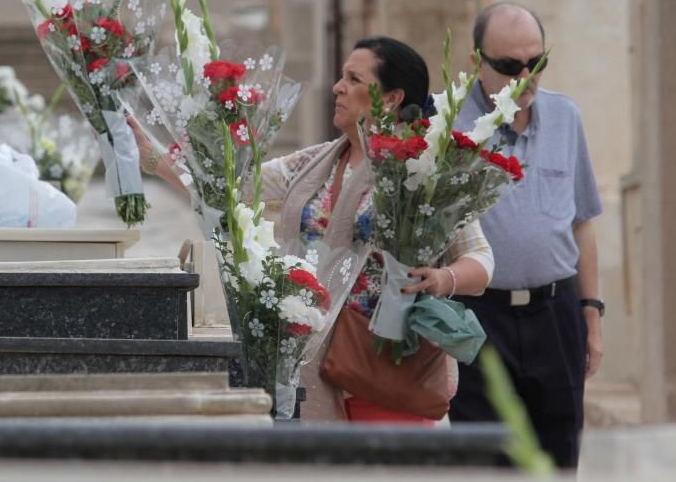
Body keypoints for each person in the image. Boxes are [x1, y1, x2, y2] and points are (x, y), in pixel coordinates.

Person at [132, 36, 495, 421]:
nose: (338, 87)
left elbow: (481, 260)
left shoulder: (424, 173)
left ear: (390, 98)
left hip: (386, 368)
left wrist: (441, 279)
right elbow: (227, 187)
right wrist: (150, 155)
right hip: (309, 359)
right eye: (341, 77)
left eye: (354, 79)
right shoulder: (314, 163)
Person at [448, 3, 603, 469]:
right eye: (509, 66)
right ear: (477, 62)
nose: (525, 76)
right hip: (477, 317)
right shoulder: (444, 124)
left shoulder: (565, 117)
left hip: (556, 314)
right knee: (488, 460)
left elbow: (582, 223)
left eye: (536, 63)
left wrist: (591, 316)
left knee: (559, 457)